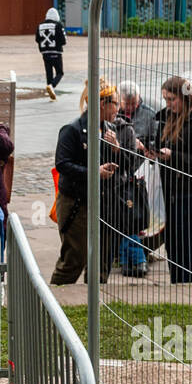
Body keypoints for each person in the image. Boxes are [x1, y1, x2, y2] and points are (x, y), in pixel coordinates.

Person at [51, 81, 142, 284]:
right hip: (77, 202)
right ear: (102, 103)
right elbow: (63, 164)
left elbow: (130, 165)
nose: (118, 108)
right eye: (115, 103)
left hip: (107, 202)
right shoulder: (72, 129)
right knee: (75, 257)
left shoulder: (113, 130)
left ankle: (95, 303)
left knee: (102, 260)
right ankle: (56, 299)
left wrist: (117, 148)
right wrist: (94, 173)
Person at [138, 76, 192, 284]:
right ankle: (178, 285)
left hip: (188, 192)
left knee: (185, 243)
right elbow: (157, 141)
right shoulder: (165, 118)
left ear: (185, 97)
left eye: (172, 99)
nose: (168, 104)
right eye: (165, 99)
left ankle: (191, 284)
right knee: (172, 244)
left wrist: (173, 156)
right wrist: (150, 150)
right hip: (166, 190)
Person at [115, 79, 159, 276]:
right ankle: (133, 259)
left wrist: (144, 146)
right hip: (118, 171)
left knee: (131, 216)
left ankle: (132, 260)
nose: (131, 107)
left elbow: (156, 141)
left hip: (139, 173)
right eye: (127, 103)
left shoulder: (149, 114)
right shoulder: (113, 113)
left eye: (134, 103)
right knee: (125, 216)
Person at [36, 7, 67, 101]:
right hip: (56, 52)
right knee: (59, 72)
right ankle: (52, 86)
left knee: (49, 73)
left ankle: (51, 94)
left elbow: (37, 39)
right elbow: (63, 40)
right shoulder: (58, 25)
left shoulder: (40, 25)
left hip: (45, 53)